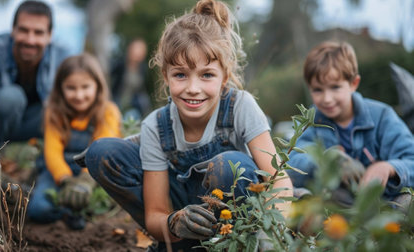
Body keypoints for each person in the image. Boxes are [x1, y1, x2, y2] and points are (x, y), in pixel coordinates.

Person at [84, 0, 293, 250]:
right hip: (183, 220)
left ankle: (231, 245)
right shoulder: (156, 126)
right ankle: (181, 244)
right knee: (102, 152)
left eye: (206, 75)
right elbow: (156, 213)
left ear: (224, 76)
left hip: (238, 220)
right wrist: (174, 223)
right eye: (180, 75)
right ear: (166, 76)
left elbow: (279, 182)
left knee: (229, 165)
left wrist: (268, 237)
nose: (193, 89)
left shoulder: (241, 106)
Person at [287, 41, 414, 207]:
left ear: (353, 84)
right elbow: (291, 161)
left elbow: (410, 157)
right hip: (333, 201)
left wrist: (389, 168)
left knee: (403, 202)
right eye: (318, 90)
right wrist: (325, 160)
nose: (327, 98)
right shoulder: (310, 121)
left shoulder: (382, 116)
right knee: (305, 197)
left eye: (335, 87)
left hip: (379, 202)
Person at [0, 0, 71, 198]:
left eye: (39, 33)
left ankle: (43, 173)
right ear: (13, 30)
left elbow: (68, 116)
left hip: (41, 125)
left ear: (49, 36)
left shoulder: (63, 57)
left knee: (59, 110)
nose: (30, 40)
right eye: (23, 30)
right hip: (2, 123)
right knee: (11, 97)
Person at [27, 53, 122, 230]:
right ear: (60, 88)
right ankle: (63, 210)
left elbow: (101, 151)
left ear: (98, 86)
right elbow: (52, 153)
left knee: (95, 207)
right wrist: (65, 180)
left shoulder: (108, 112)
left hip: (94, 173)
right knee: (38, 210)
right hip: (57, 171)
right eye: (71, 88)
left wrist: (85, 181)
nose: (79, 95)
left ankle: (75, 213)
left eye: (85, 87)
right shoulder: (54, 112)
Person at [110, 38, 151, 120]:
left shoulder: (142, 68)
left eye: (141, 50)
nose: (137, 53)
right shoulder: (120, 64)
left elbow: (141, 89)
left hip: (133, 103)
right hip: (117, 99)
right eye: (136, 49)